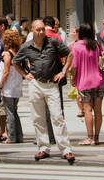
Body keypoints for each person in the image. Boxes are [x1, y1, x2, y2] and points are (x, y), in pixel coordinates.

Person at [16, 19, 76, 163]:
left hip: (51, 84)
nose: (42, 32)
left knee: (57, 116)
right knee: (38, 117)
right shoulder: (27, 46)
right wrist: (25, 74)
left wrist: (63, 71)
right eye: (38, 30)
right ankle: (43, 147)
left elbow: (69, 54)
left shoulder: (52, 42)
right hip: (36, 83)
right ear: (32, 31)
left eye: (43, 29)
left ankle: (65, 149)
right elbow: (15, 61)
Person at [68, 23, 104, 145]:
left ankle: (89, 138)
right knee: (98, 110)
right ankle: (97, 137)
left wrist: (73, 78)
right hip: (99, 80)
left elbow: (74, 66)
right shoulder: (97, 45)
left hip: (84, 81)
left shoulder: (77, 46)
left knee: (87, 110)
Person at [0, 28, 25, 144]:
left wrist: (0, 84)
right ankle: (19, 135)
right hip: (17, 85)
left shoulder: (7, 54)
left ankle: (12, 136)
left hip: (9, 86)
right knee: (14, 111)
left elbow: (6, 71)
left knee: (9, 112)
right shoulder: (18, 53)